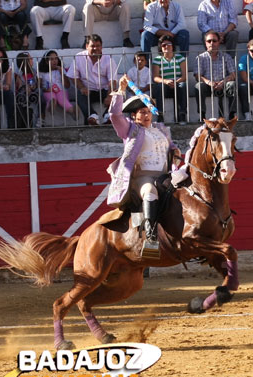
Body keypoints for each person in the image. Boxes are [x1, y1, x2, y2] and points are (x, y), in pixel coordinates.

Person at [108, 74, 184, 256]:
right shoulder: (130, 129)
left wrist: (176, 151)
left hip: (166, 176)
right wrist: (121, 91)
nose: (146, 115)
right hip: (143, 177)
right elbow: (114, 115)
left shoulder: (161, 130)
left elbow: (171, 147)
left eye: (148, 111)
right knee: (150, 191)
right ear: (134, 115)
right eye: (142, 112)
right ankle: (150, 239)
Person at [67, 34, 118, 125]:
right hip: (88, 90)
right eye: (92, 46)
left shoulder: (108, 58)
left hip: (104, 89)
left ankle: (108, 116)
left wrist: (110, 95)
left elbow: (112, 80)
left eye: (98, 46)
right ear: (87, 46)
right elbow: (73, 76)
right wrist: (82, 87)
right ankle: (92, 116)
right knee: (79, 94)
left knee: (118, 95)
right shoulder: (79, 57)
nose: (95, 48)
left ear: (101, 47)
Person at [194, 30, 237, 121]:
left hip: (224, 84)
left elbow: (233, 74)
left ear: (219, 42)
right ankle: (202, 114)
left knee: (232, 84)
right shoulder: (200, 58)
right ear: (205, 43)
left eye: (214, 41)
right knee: (199, 86)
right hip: (208, 85)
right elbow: (198, 76)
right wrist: (209, 82)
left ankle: (232, 113)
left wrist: (223, 82)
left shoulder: (226, 57)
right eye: (209, 41)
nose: (211, 43)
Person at [152, 35, 188, 124]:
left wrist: (175, 82)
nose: (166, 46)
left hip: (177, 83)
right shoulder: (157, 59)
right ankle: (160, 114)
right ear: (160, 47)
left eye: (169, 44)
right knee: (159, 86)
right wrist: (166, 81)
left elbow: (184, 76)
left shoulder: (180, 58)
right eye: (164, 45)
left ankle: (182, 114)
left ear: (173, 46)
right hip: (165, 85)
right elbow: (155, 77)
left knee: (183, 85)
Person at [39, 49, 75, 120]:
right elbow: (39, 85)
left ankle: (73, 110)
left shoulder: (61, 70)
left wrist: (61, 72)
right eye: (51, 59)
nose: (55, 61)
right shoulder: (41, 72)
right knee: (52, 98)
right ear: (46, 61)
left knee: (62, 101)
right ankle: (51, 105)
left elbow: (67, 85)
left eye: (56, 58)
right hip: (48, 91)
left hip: (61, 90)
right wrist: (45, 89)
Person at [15, 52, 41, 128]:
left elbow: (37, 84)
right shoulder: (18, 74)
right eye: (30, 59)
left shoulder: (34, 72)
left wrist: (34, 86)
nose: (32, 60)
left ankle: (40, 118)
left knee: (41, 94)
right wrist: (26, 87)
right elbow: (19, 87)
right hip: (23, 95)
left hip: (33, 94)